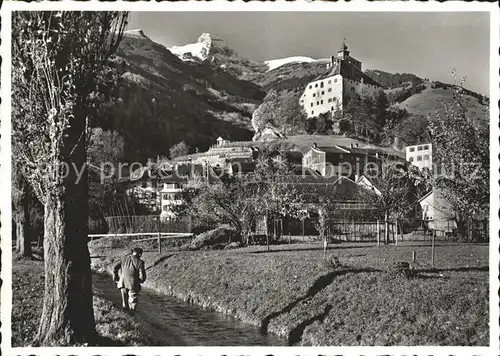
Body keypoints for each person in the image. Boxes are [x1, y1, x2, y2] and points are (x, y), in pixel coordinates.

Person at [113, 247, 146, 313]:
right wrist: (140, 281)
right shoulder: (140, 262)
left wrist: (116, 277)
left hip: (122, 283)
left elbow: (115, 267)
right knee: (133, 302)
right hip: (133, 284)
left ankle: (126, 317)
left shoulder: (124, 259)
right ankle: (131, 317)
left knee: (124, 302)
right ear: (140, 254)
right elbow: (142, 276)